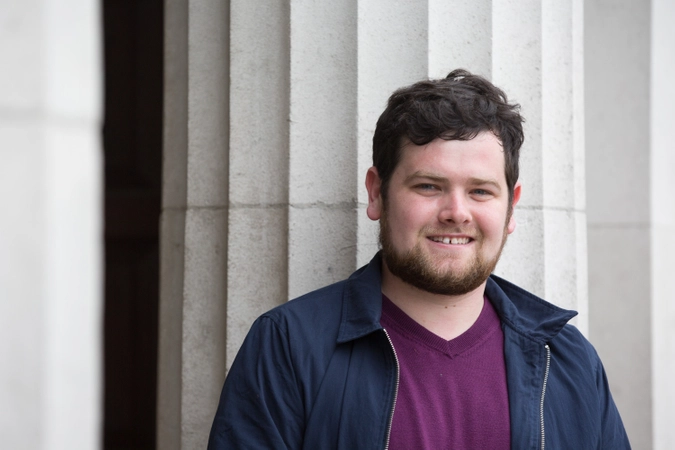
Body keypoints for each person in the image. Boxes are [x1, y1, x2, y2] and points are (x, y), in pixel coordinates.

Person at [207, 69, 630, 449]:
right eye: (429, 186)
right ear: (376, 193)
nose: (457, 212)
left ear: (511, 209)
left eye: (480, 191)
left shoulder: (569, 358)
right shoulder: (288, 346)